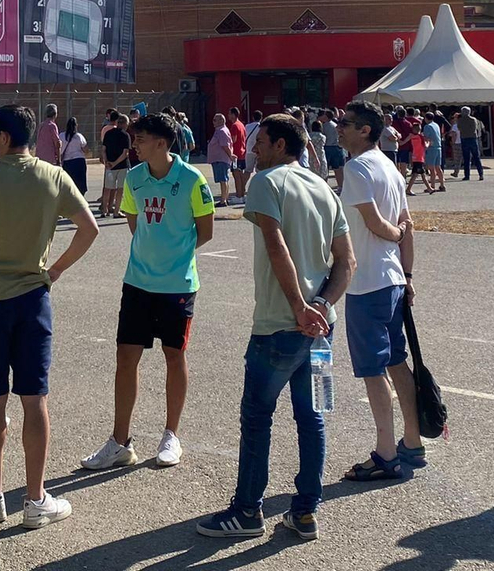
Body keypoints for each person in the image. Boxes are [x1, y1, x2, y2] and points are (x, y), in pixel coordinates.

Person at [196, 114, 352, 542]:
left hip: (279, 327)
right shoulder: (323, 186)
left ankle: (247, 510)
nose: (254, 150)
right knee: (313, 417)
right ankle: (305, 511)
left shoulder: (267, 183)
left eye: (261, 142)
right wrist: (320, 305)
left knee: (257, 418)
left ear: (282, 145)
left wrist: (300, 306)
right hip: (322, 330)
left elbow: (275, 243)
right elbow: (347, 261)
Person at [0, 105, 99, 530]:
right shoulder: (53, 176)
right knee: (34, 397)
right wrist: (54, 268)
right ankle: (36, 499)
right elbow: (88, 228)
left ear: (0, 137)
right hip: (33, 296)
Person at [82, 112, 214, 472]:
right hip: (137, 282)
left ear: (161, 142)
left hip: (178, 286)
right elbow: (132, 219)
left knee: (175, 356)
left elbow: (206, 231)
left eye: (140, 140)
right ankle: (119, 442)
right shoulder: (136, 178)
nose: (133, 145)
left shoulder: (191, 179)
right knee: (126, 358)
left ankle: (171, 434)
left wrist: (175, 255)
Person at [336, 102, 423, 481]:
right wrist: (407, 272)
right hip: (390, 277)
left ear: (366, 130)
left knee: (374, 370)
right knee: (396, 361)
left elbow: (379, 224)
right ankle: (413, 440)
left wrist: (395, 235)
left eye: (347, 124)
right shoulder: (389, 165)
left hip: (367, 280)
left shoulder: (356, 168)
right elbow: (408, 223)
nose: (339, 129)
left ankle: (386, 453)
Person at [99, 111, 133, 219]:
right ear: (125, 124)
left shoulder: (108, 133)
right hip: (122, 166)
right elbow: (125, 153)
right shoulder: (125, 135)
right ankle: (116, 211)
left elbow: (103, 149)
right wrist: (115, 163)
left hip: (109, 165)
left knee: (107, 188)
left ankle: (104, 210)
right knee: (120, 189)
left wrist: (107, 161)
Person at [207, 113, 235, 207]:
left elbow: (225, 145)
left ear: (221, 121)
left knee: (223, 180)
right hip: (220, 159)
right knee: (224, 180)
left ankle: (223, 200)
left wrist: (230, 155)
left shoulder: (221, 131)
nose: (213, 122)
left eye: (215, 120)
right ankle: (225, 199)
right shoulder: (221, 130)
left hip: (221, 159)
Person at [59, 118, 89, 201]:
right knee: (80, 182)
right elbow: (86, 150)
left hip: (67, 162)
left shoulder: (62, 136)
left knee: (69, 182)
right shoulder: (79, 136)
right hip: (79, 161)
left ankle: (69, 200)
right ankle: (80, 200)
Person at [456, 107, 486, 181]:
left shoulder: (460, 120)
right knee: (476, 157)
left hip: (464, 138)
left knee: (466, 158)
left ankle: (467, 175)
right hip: (472, 138)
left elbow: (459, 128)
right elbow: (475, 128)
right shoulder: (473, 119)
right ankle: (481, 174)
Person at [227, 107, 249, 205]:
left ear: (233, 114)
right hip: (242, 153)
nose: (228, 115)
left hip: (235, 154)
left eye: (229, 113)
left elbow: (233, 140)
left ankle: (239, 196)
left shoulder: (234, 126)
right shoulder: (241, 125)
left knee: (237, 176)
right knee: (240, 175)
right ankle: (242, 194)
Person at [421, 111, 446, 193]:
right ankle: (442, 185)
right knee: (438, 167)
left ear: (426, 118)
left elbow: (426, 137)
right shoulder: (436, 125)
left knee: (431, 168)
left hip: (431, 148)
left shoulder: (427, 126)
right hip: (438, 147)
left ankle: (432, 186)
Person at [320, 109, 344, 180]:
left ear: (326, 117)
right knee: (337, 168)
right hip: (336, 146)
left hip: (328, 147)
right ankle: (340, 186)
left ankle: (325, 183)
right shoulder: (335, 125)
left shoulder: (324, 126)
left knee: (325, 168)